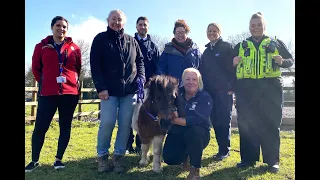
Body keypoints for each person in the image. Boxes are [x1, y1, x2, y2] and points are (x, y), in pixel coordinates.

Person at [232, 12, 294, 173]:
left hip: (270, 88)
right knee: (246, 124)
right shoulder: (240, 45)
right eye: (253, 25)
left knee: (271, 124)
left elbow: (291, 61)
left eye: (259, 25)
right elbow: (228, 66)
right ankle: (248, 159)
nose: (256, 28)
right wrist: (232, 62)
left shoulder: (276, 42)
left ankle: (272, 161)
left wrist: (282, 61)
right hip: (246, 89)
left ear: (264, 26)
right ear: (249, 27)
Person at [90, 9, 145, 173]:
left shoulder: (132, 41)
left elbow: (140, 61)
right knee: (107, 123)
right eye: (113, 19)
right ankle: (102, 156)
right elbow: (95, 65)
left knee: (125, 125)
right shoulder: (100, 39)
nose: (116, 22)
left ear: (124, 22)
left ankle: (119, 156)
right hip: (108, 91)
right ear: (108, 20)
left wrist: (141, 77)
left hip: (129, 91)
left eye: (119, 19)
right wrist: (101, 87)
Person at [25, 16, 82, 172]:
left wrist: (71, 83)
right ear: (52, 27)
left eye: (64, 26)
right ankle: (34, 160)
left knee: (65, 126)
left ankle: (58, 159)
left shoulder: (74, 48)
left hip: (69, 93)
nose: (61, 29)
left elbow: (77, 68)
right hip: (48, 93)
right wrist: (45, 82)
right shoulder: (41, 47)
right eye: (58, 25)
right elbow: (36, 69)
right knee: (40, 127)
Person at [162, 68, 212, 180]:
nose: (190, 82)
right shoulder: (175, 94)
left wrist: (174, 120)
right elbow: (163, 113)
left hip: (199, 134)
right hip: (178, 132)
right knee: (170, 159)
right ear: (182, 81)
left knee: (193, 132)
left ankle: (195, 169)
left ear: (199, 81)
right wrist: (169, 114)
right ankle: (186, 156)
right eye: (187, 79)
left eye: (194, 79)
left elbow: (198, 120)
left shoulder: (205, 97)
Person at [199, 22, 235, 161]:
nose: (212, 33)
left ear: (219, 32)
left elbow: (234, 68)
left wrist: (232, 86)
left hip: (224, 91)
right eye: (209, 31)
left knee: (224, 119)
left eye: (214, 31)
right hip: (210, 92)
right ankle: (221, 149)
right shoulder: (206, 51)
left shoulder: (227, 47)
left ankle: (225, 149)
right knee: (215, 119)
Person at [126, 16, 161, 155]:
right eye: (140, 25)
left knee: (143, 116)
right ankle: (128, 145)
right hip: (131, 86)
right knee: (128, 116)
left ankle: (141, 144)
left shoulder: (153, 46)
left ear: (148, 27)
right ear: (136, 27)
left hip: (147, 88)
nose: (142, 27)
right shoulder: (129, 42)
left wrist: (152, 82)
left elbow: (158, 67)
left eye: (145, 25)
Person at [157, 19, 201, 85]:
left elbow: (201, 68)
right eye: (177, 33)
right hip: (173, 89)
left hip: (192, 88)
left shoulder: (195, 50)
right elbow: (161, 70)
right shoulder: (167, 51)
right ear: (174, 34)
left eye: (182, 32)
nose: (180, 35)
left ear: (187, 33)